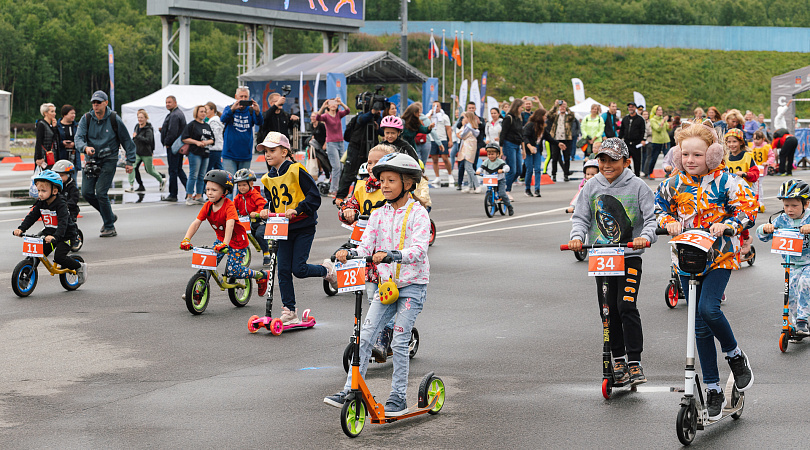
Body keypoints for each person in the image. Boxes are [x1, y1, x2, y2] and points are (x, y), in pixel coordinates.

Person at [655, 121, 756, 421]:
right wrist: (666, 221)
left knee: (709, 310)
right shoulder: (673, 183)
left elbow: (748, 208)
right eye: (685, 154)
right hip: (686, 258)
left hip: (719, 257)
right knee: (697, 325)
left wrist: (730, 224)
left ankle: (735, 356)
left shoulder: (727, 181)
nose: (690, 160)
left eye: (697, 155)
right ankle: (712, 388)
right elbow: (658, 207)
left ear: (712, 155)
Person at [323, 152, 430, 417]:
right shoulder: (378, 214)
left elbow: (419, 249)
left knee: (401, 340)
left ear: (408, 183)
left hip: (411, 285)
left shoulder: (418, 213)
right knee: (365, 335)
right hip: (386, 286)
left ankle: (398, 397)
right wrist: (350, 252)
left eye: (391, 180)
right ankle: (350, 388)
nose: (384, 185)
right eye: (382, 180)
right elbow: (366, 245)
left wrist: (396, 255)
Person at [568, 138, 657, 386]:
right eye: (602, 160)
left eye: (613, 160)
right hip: (602, 257)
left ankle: (634, 361)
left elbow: (652, 220)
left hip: (629, 256)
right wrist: (577, 238)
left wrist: (644, 238)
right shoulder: (591, 186)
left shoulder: (639, 186)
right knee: (607, 311)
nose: (607, 165)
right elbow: (581, 218)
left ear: (626, 162)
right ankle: (618, 358)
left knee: (626, 306)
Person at [257, 132, 330, 325]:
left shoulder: (296, 170)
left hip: (303, 226)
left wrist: (297, 209)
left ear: (284, 151)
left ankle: (326, 271)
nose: (268, 155)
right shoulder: (267, 178)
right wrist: (265, 210)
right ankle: (289, 311)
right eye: (265, 151)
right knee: (282, 270)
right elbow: (273, 202)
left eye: (272, 150)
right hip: (281, 228)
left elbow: (314, 197)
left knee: (298, 269)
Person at [179, 169, 269, 296]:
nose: (209, 193)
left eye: (214, 190)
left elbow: (230, 225)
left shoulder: (229, 206)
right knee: (208, 263)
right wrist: (186, 239)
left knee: (234, 271)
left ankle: (260, 275)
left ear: (225, 191)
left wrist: (225, 243)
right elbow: (196, 222)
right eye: (208, 189)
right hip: (221, 240)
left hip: (237, 241)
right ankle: (196, 291)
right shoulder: (208, 205)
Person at [75, 90, 135, 238]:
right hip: (91, 159)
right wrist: (85, 148)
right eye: (94, 103)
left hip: (109, 159)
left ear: (106, 103)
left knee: (101, 192)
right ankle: (109, 215)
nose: (95, 105)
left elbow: (127, 141)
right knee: (86, 192)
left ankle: (109, 226)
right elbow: (78, 138)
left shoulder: (114, 118)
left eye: (99, 102)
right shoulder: (86, 118)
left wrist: (130, 161)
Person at [757, 180, 810, 336]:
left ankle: (802, 320)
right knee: (791, 293)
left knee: (805, 284)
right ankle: (795, 326)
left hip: (808, 263)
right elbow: (762, 236)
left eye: (794, 205)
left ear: (806, 204)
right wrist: (765, 229)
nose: (789, 210)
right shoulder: (781, 220)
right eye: (786, 205)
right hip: (791, 264)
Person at [13, 170, 86, 283]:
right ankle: (27, 274)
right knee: (36, 254)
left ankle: (79, 266)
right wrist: (21, 228)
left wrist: (56, 237)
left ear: (55, 190)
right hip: (50, 234)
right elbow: (31, 216)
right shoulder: (41, 202)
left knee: (59, 258)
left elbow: (63, 223)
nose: (40, 194)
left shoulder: (61, 205)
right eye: (38, 191)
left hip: (66, 235)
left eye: (43, 190)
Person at [221, 87, 263, 192]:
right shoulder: (229, 108)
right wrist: (232, 110)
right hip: (229, 153)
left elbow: (259, 122)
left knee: (243, 185)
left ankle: (241, 207)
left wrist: (257, 112)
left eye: (246, 97)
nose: (243, 99)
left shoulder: (250, 110)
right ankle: (229, 207)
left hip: (245, 153)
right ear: (236, 97)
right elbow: (223, 119)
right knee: (229, 184)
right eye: (241, 97)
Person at [724, 128, 759, 255]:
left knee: (743, 216)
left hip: (744, 192)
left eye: (734, 141)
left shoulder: (747, 157)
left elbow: (755, 174)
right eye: (729, 142)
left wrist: (745, 174)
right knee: (729, 216)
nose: (731, 144)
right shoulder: (726, 157)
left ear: (741, 142)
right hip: (729, 192)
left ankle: (746, 238)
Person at [233, 168, 271, 266]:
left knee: (259, 234)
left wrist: (257, 212)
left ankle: (266, 254)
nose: (241, 188)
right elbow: (232, 207)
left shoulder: (255, 195)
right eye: (239, 185)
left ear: (251, 184)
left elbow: (262, 205)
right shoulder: (238, 197)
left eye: (244, 185)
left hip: (259, 221)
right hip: (246, 221)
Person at [314, 97, 351, 197]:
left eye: (335, 103)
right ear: (328, 106)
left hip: (340, 142)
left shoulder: (339, 114)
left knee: (342, 166)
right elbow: (317, 117)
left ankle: (339, 188)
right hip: (331, 143)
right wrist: (323, 106)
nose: (334, 105)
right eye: (331, 103)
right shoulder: (326, 116)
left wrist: (341, 102)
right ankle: (333, 190)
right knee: (336, 167)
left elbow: (348, 111)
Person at [523, 108, 562, 197]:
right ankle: (527, 189)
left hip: (537, 149)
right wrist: (529, 146)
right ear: (540, 116)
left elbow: (549, 138)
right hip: (529, 149)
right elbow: (525, 137)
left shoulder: (543, 127)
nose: (546, 117)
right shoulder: (530, 125)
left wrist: (558, 143)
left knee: (537, 169)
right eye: (544, 116)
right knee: (529, 169)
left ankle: (537, 189)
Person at [181, 105, 214, 205]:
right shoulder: (192, 125)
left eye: (204, 111)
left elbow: (213, 139)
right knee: (193, 175)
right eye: (201, 111)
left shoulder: (207, 125)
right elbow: (184, 138)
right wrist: (196, 142)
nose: (203, 113)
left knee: (202, 176)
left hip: (205, 153)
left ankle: (199, 196)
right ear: (196, 113)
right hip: (195, 153)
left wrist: (206, 143)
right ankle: (189, 196)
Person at [127, 109, 165, 193]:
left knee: (149, 170)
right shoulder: (137, 126)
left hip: (146, 153)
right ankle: (131, 186)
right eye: (138, 117)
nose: (140, 119)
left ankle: (161, 180)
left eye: (141, 117)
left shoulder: (149, 129)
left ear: (146, 118)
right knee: (132, 166)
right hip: (137, 152)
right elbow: (134, 138)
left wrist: (137, 137)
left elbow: (149, 140)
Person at [159, 95, 187, 202]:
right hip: (178, 146)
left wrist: (167, 142)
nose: (167, 104)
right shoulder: (175, 113)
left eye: (169, 102)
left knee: (173, 170)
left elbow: (173, 132)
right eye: (166, 102)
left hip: (173, 147)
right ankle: (189, 191)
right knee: (178, 169)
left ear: (175, 102)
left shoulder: (175, 115)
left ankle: (173, 194)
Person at [477, 143, 514, 215]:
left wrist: (502, 170)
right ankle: (493, 205)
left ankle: (509, 206)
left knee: (502, 194)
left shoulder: (500, 161)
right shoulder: (486, 161)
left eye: (492, 154)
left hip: (500, 180)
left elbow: (507, 167)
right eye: (489, 154)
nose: (490, 156)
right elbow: (481, 167)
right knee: (489, 192)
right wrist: (478, 171)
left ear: (497, 154)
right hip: (490, 179)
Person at [499, 99, 524, 199]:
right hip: (509, 144)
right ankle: (506, 190)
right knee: (512, 170)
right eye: (521, 107)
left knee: (519, 170)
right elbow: (503, 134)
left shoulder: (519, 118)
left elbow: (521, 134)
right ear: (517, 107)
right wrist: (501, 150)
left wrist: (523, 149)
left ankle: (504, 186)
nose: (522, 109)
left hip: (517, 145)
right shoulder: (508, 118)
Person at [427, 101, 454, 187]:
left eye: (437, 106)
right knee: (434, 159)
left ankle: (450, 174)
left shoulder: (444, 116)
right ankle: (437, 176)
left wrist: (450, 140)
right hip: (432, 139)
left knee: (445, 158)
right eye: (434, 106)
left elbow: (448, 129)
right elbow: (425, 124)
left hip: (442, 139)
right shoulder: (429, 116)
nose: (435, 107)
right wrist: (430, 115)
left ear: (440, 107)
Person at [547, 99, 575, 181]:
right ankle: (554, 174)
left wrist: (567, 107)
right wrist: (555, 106)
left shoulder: (568, 117)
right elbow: (549, 115)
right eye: (561, 106)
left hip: (566, 139)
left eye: (563, 106)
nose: (562, 108)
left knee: (566, 157)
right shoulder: (555, 116)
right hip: (556, 139)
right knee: (554, 157)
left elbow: (572, 116)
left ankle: (566, 174)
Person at [618, 102, 645, 177]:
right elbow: (622, 130)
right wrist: (619, 139)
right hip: (626, 142)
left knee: (637, 161)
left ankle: (637, 176)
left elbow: (643, 130)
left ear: (635, 108)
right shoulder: (625, 118)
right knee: (624, 159)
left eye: (632, 107)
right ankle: (628, 174)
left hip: (636, 143)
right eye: (629, 107)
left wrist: (643, 139)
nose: (631, 108)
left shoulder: (640, 119)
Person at [457, 111, 480, 193]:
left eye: (465, 117)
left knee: (469, 167)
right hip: (466, 146)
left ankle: (477, 186)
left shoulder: (470, 126)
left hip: (470, 147)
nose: (464, 119)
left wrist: (467, 128)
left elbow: (462, 135)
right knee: (467, 167)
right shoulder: (467, 126)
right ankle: (470, 186)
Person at [56, 105, 81, 176]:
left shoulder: (77, 126)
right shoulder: (57, 127)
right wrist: (62, 143)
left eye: (74, 113)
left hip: (74, 157)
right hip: (61, 156)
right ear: (65, 114)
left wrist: (74, 144)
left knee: (73, 181)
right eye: (71, 113)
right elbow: (55, 140)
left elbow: (81, 139)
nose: (74, 115)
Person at [648, 105, 670, 179]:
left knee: (667, 158)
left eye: (661, 110)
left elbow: (668, 128)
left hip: (666, 141)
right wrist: (663, 121)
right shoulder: (653, 120)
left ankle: (668, 173)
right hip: (657, 141)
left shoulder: (663, 119)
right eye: (659, 110)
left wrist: (667, 121)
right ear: (655, 111)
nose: (661, 111)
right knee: (654, 157)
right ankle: (650, 173)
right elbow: (658, 129)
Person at [35, 103, 58, 170]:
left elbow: (54, 140)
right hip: (43, 156)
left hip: (51, 156)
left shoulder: (50, 125)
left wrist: (54, 128)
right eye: (52, 111)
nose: (54, 113)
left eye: (54, 111)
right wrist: (39, 157)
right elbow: (39, 141)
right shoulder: (41, 124)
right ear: (45, 113)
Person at [205, 101, 224, 172]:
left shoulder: (213, 121)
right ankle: (226, 181)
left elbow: (214, 135)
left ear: (212, 110)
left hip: (213, 148)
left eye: (206, 110)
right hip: (217, 148)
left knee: (207, 170)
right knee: (218, 168)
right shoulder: (213, 120)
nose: (205, 112)